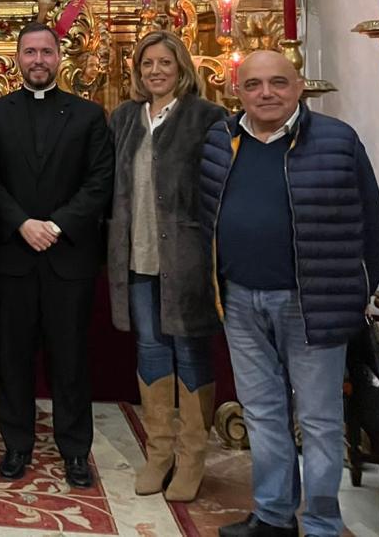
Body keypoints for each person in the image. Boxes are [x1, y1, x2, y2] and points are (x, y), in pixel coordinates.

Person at [201, 49, 379, 537]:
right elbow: (206, 216)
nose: (267, 93)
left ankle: (323, 523)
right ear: (236, 91)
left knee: (320, 420)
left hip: (312, 303)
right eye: (255, 84)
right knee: (262, 414)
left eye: (278, 83)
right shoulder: (221, 140)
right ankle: (272, 516)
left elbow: (372, 221)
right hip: (239, 299)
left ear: (299, 86)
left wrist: (360, 290)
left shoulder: (336, 140)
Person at [0, 21, 113, 489]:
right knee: (13, 357)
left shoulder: (86, 116)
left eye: (46, 52)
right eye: (29, 53)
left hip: (69, 256)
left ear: (59, 57)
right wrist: (22, 222)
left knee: (70, 359)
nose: (38, 60)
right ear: (16, 58)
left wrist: (56, 225)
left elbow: (99, 182)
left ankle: (75, 450)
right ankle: (17, 444)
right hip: (13, 255)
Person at [106, 31, 226, 501]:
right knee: (151, 349)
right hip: (136, 255)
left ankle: (192, 458)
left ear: (182, 68)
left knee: (190, 350)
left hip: (187, 256)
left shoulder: (206, 117)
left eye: (165, 63)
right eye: (147, 63)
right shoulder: (124, 119)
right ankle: (159, 454)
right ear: (137, 70)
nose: (155, 71)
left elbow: (217, 188)